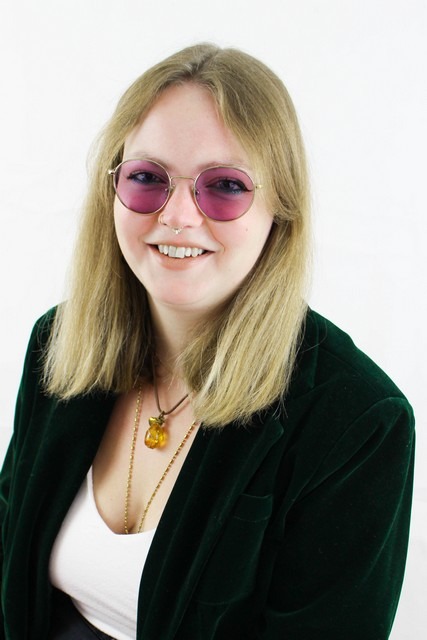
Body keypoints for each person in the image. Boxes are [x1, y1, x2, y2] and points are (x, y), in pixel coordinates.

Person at [0, 43, 414, 640]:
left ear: (280, 210)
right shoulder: (59, 344)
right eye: (147, 179)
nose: (177, 216)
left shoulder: (357, 422)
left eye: (223, 186)